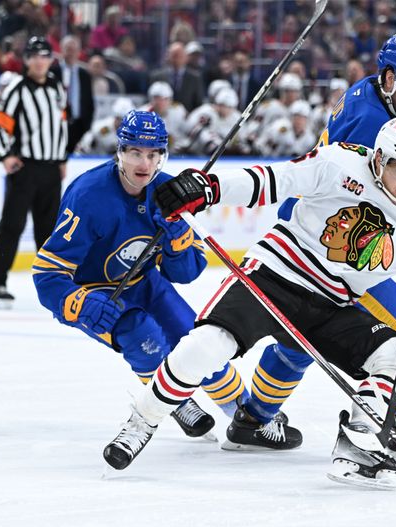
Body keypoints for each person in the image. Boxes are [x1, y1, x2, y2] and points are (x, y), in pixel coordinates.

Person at [103, 118, 396, 488]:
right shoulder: (339, 161)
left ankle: (359, 444)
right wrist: (210, 189)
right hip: (273, 277)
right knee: (206, 346)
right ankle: (141, 422)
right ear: (379, 159)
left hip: (334, 302)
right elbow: (272, 180)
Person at [241, 33, 396, 461]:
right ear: (391, 77)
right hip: (328, 247)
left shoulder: (390, 95)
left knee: (299, 339)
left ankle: (252, 418)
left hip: (330, 233)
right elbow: (391, 207)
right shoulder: (367, 124)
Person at [33, 110, 251, 442]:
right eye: (135, 152)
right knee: (141, 334)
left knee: (197, 342)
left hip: (146, 284)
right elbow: (47, 275)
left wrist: (178, 242)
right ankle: (174, 400)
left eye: (153, 154)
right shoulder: (89, 195)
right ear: (120, 152)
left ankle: (244, 413)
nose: (144, 163)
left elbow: (187, 273)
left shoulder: (169, 192)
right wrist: (80, 302)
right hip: (96, 291)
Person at [0, 36, 68, 308]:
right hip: (25, 168)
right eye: (34, 56)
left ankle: (53, 287)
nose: (39, 60)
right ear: (27, 60)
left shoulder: (57, 88)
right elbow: (0, 125)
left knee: (48, 232)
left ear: (50, 60)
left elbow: (60, 126)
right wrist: (5, 156)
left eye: (44, 55)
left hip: (50, 169)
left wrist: (61, 158)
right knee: (11, 226)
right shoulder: (17, 89)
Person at [55, 36, 94, 154]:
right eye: (68, 49)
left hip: (79, 125)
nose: (71, 53)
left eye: (74, 50)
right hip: (58, 124)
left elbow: (89, 103)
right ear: (61, 50)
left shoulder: (85, 75)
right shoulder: (53, 73)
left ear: (79, 52)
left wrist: (86, 126)